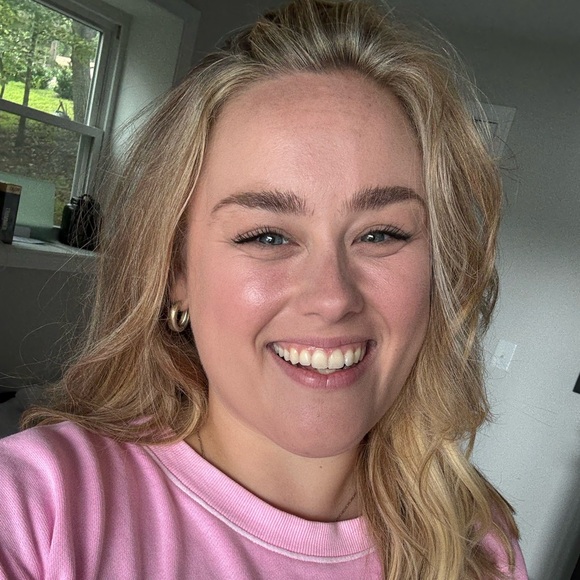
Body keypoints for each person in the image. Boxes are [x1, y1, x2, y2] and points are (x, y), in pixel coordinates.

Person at [0, 0, 528, 578]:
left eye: (381, 233)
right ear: (175, 272)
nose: (332, 297)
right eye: (268, 236)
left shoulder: (479, 544)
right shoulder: (36, 510)